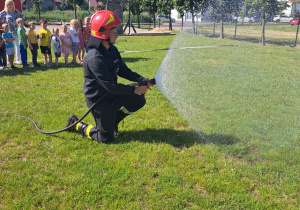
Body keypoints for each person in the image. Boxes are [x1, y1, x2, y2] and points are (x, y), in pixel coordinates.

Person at [66, 10, 151, 143]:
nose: (117, 35)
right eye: (114, 32)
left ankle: (114, 120)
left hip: (112, 94)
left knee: (138, 101)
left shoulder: (112, 50)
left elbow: (122, 70)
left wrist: (140, 79)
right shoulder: (94, 58)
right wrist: (135, 89)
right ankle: (78, 125)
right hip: (99, 100)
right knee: (105, 138)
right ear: (104, 34)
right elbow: (111, 86)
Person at [0, 0, 25, 65]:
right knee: (9, 47)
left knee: (17, 46)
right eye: (9, 4)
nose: (10, 6)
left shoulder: (16, 11)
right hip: (8, 32)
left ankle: (17, 60)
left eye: (11, 4)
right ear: (6, 5)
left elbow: (23, 16)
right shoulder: (4, 12)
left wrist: (20, 21)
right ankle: (9, 61)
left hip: (17, 31)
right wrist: (2, 26)